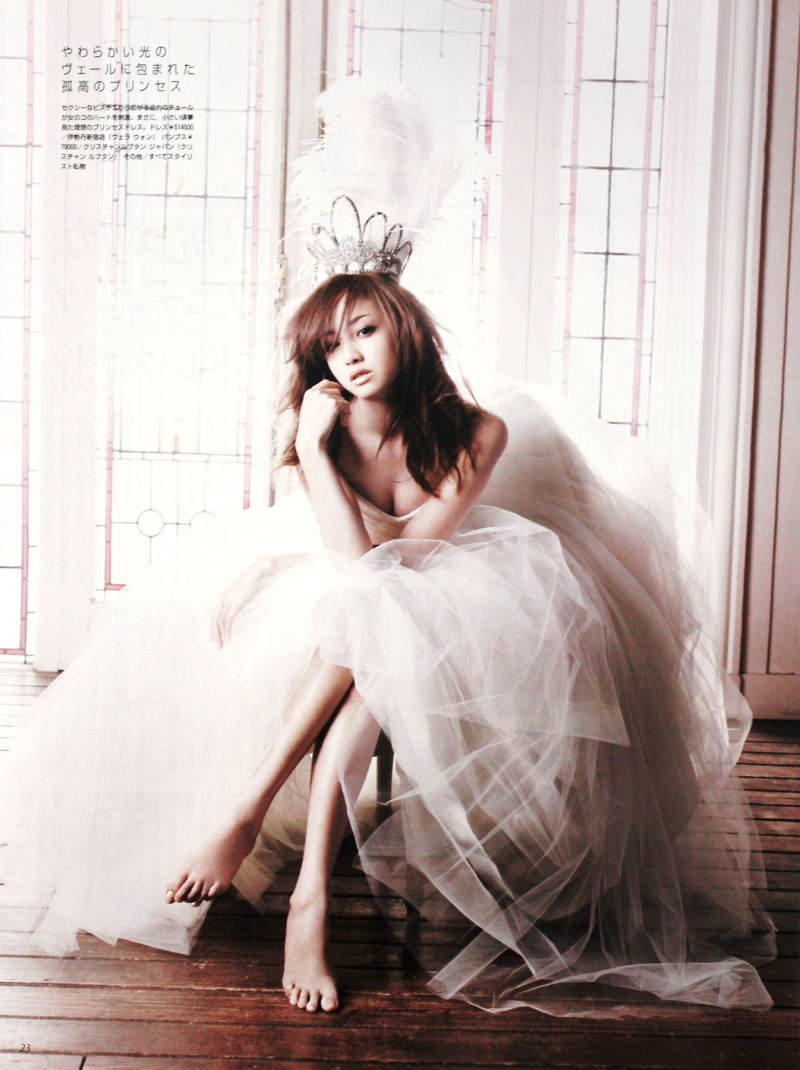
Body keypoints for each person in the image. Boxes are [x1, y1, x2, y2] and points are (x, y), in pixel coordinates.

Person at [1, 268, 775, 1021]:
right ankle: (303, 884)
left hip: (440, 582)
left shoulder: (480, 431)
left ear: (405, 330)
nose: (351, 356)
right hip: (343, 586)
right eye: (331, 346)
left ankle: (260, 825)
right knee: (374, 627)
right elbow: (349, 565)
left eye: (366, 331)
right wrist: (314, 448)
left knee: (387, 622)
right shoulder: (325, 432)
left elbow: (406, 563)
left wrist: (347, 513)